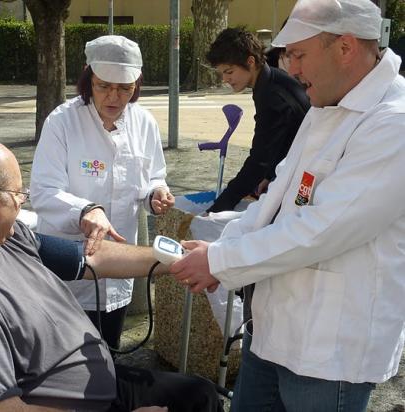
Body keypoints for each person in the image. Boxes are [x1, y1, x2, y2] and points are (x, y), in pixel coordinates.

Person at [171, 0, 405, 411]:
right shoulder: (327, 103)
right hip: (273, 329)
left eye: (298, 54)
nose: (291, 69)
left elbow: (323, 228)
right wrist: (222, 250)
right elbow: (276, 196)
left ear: (346, 47)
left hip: (330, 351)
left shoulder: (392, 122)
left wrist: (222, 261)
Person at [0, 137, 221, 412]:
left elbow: (91, 258)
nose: (24, 203)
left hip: (101, 382)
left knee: (200, 394)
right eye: (18, 194)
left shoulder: (2, 238)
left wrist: (178, 259)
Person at [30, 35, 174, 349]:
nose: (114, 97)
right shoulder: (62, 122)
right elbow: (43, 191)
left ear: (136, 85)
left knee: (108, 354)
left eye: (124, 88)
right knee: (65, 357)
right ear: (88, 78)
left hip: (119, 267)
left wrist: (156, 194)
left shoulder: (144, 123)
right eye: (103, 86)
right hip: (71, 264)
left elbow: (152, 178)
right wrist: (85, 210)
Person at [204, 28, 310, 213]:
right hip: (296, 170)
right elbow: (282, 137)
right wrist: (269, 175)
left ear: (250, 61)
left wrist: (217, 208)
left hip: (305, 179)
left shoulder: (272, 95)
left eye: (229, 71)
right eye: (222, 73)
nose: (225, 79)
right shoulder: (271, 80)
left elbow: (259, 159)